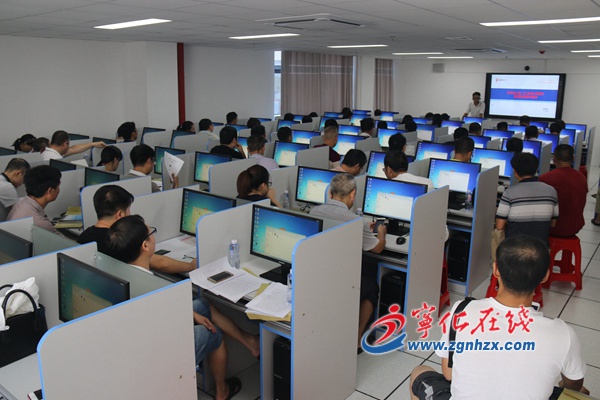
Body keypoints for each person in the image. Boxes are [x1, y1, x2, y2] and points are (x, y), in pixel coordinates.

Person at [410, 236, 588, 400]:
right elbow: (574, 385)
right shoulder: (564, 334)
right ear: (545, 276)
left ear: (496, 270)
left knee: (419, 372)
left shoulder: (461, 311)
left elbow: (449, 374)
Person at [104, 215, 242, 400]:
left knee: (202, 305)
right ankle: (222, 391)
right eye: (151, 233)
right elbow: (169, 323)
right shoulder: (153, 289)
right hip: (160, 352)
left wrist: (192, 314)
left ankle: (251, 343)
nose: (153, 237)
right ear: (145, 246)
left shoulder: (120, 275)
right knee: (214, 333)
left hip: (141, 339)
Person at [310, 173, 385, 350]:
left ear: (330, 193)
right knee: (371, 286)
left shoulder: (314, 212)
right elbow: (377, 248)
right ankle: (357, 338)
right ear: (352, 194)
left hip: (318, 276)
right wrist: (381, 233)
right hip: (341, 281)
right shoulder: (355, 220)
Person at [77, 185, 196, 274]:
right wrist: (190, 266)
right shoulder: (119, 241)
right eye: (128, 210)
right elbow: (161, 264)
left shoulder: (84, 237)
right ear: (120, 214)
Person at [496, 152, 558, 246]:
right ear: (536, 170)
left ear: (515, 171)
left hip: (514, 248)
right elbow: (553, 224)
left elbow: (499, 226)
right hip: (540, 248)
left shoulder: (509, 193)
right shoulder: (551, 191)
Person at [539, 145, 587, 237]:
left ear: (554, 159)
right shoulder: (582, 178)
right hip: (575, 225)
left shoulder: (545, 178)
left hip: (553, 227)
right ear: (573, 158)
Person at [7, 165, 63, 235]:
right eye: (58, 186)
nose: (59, 190)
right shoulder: (40, 223)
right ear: (50, 191)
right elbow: (66, 241)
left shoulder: (20, 203)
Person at [41, 130, 106, 161]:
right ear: (65, 143)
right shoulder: (55, 158)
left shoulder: (47, 152)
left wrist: (93, 144)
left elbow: (73, 149)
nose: (69, 147)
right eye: (68, 144)